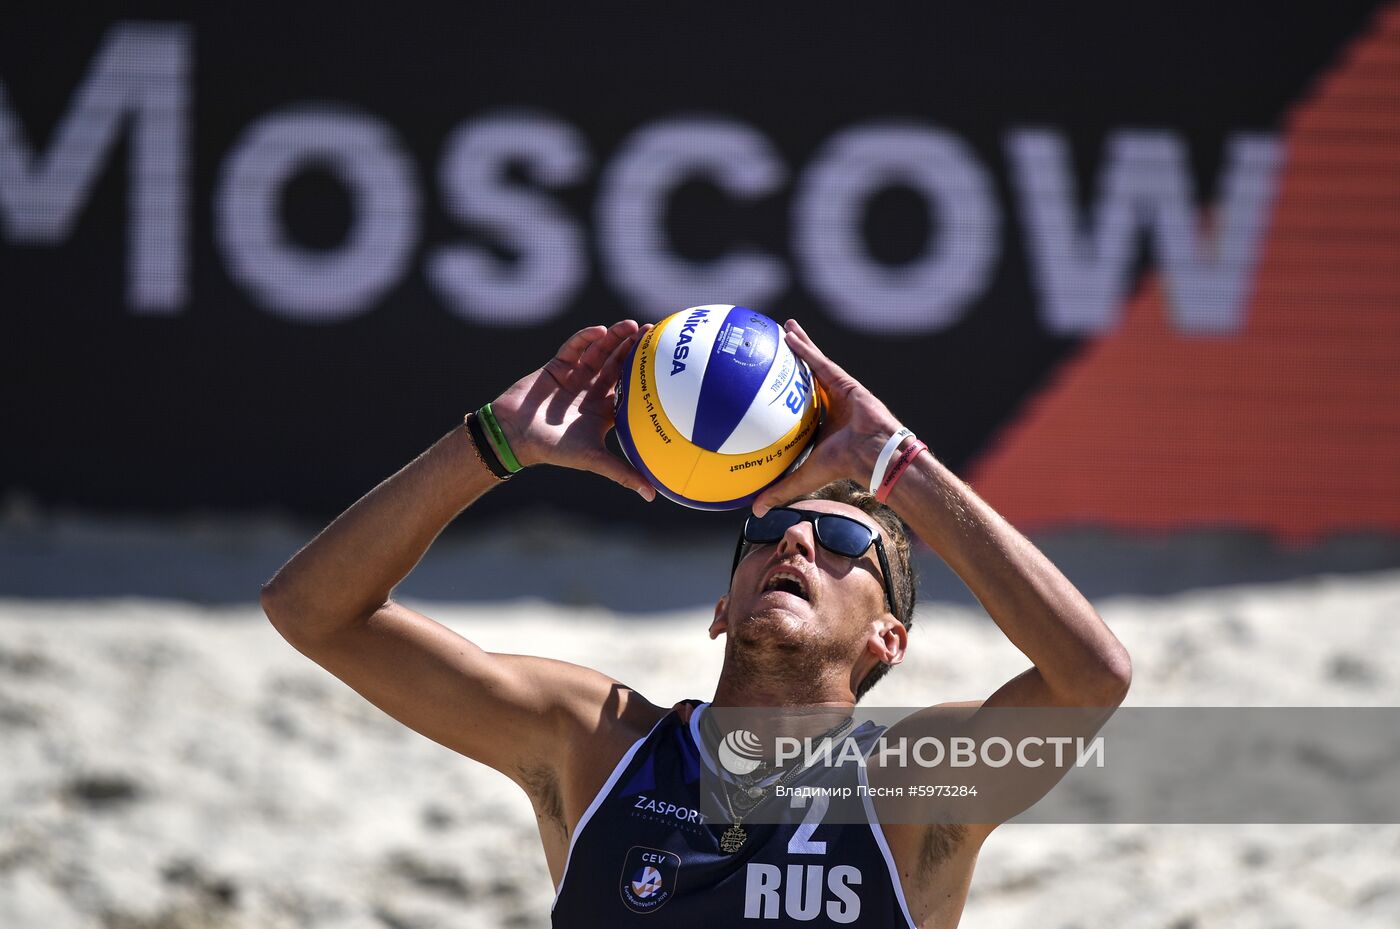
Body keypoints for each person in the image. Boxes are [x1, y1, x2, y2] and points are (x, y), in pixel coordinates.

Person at [261, 318, 1131, 927]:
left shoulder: (905, 787)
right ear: (723, 610)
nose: (793, 536)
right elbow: (311, 611)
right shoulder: (595, 740)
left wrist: (897, 464)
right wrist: (495, 442)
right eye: (763, 532)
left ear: (887, 641)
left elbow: (1092, 676)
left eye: (836, 540)